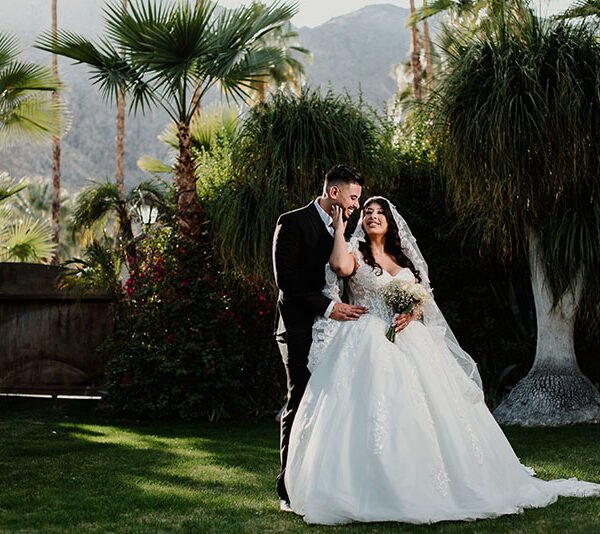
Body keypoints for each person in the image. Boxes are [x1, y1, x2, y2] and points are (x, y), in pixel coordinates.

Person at [284, 196, 600, 525]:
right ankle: (362, 488)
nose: (373, 216)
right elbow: (338, 267)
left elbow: (421, 300)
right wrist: (339, 230)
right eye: (367, 212)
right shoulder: (354, 253)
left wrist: (411, 313)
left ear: (391, 222)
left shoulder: (403, 260)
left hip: (409, 340)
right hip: (365, 339)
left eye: (380, 213)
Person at [272, 164, 369, 510]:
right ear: (334, 193)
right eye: (353, 197)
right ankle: (288, 487)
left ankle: (328, 484)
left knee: (337, 406)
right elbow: (286, 280)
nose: (356, 205)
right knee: (300, 401)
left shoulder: (350, 227)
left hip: (339, 333)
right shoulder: (292, 222)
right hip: (298, 328)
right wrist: (330, 308)